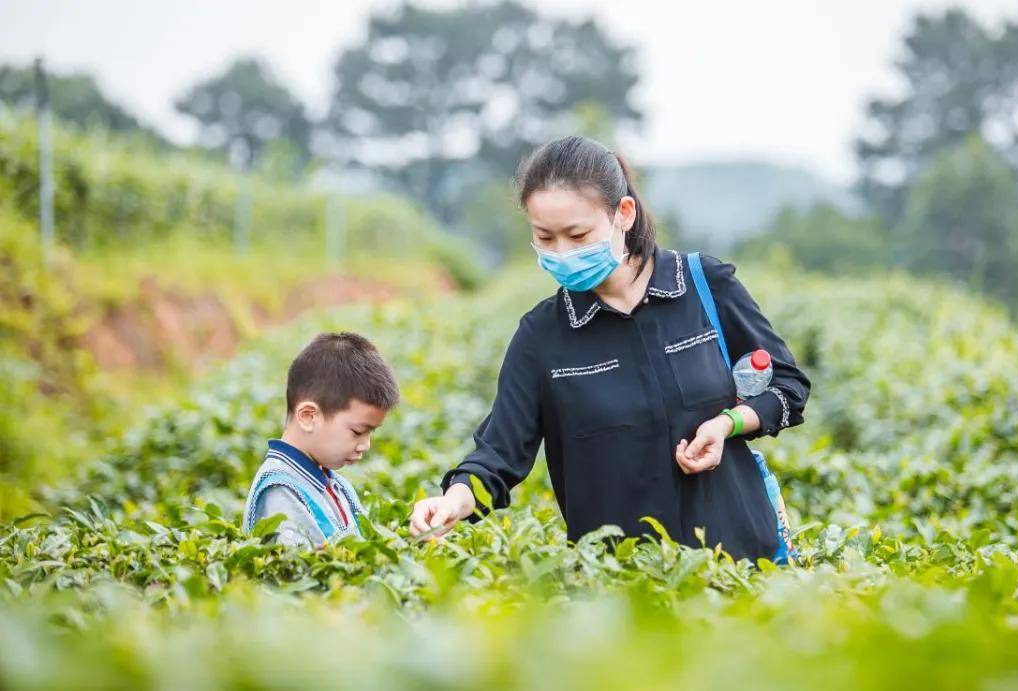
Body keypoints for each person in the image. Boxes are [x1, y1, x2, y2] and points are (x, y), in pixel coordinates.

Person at [410, 135, 811, 561]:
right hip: (620, 586)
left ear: (623, 213)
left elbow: (787, 386)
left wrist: (727, 424)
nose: (561, 253)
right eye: (545, 238)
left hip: (742, 564)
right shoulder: (543, 336)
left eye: (577, 234)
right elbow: (498, 455)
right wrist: (454, 501)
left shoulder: (703, 286)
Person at [243, 332, 399, 548]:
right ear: (308, 416)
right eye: (357, 431)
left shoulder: (334, 483)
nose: (366, 445)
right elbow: (298, 572)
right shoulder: (280, 489)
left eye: (371, 432)